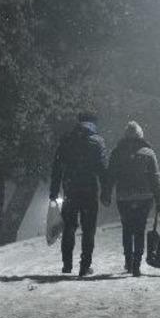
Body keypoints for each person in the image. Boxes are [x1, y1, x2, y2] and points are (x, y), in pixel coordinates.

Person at [50, 112, 108, 277]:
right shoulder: (97, 142)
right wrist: (106, 191)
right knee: (88, 229)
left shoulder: (67, 140)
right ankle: (84, 266)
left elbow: (57, 168)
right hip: (89, 190)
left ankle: (67, 265)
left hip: (70, 190)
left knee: (69, 227)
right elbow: (103, 170)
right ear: (93, 123)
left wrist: (54, 191)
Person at [102, 121, 160, 277]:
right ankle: (136, 264)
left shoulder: (117, 152)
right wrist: (159, 200)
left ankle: (128, 261)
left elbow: (110, 176)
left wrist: (106, 193)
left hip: (124, 197)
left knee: (127, 228)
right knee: (140, 229)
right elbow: (155, 178)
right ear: (140, 135)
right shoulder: (148, 153)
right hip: (145, 197)